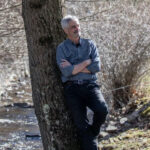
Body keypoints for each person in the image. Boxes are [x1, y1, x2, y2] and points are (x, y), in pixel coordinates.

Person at [56, 15, 108, 150]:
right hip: (72, 89)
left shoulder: (90, 44)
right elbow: (66, 72)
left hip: (91, 86)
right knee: (81, 126)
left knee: (102, 109)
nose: (77, 28)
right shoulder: (61, 48)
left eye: (78, 25)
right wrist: (86, 62)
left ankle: (94, 132)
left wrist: (74, 67)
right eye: (73, 27)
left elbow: (96, 67)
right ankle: (91, 141)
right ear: (66, 30)